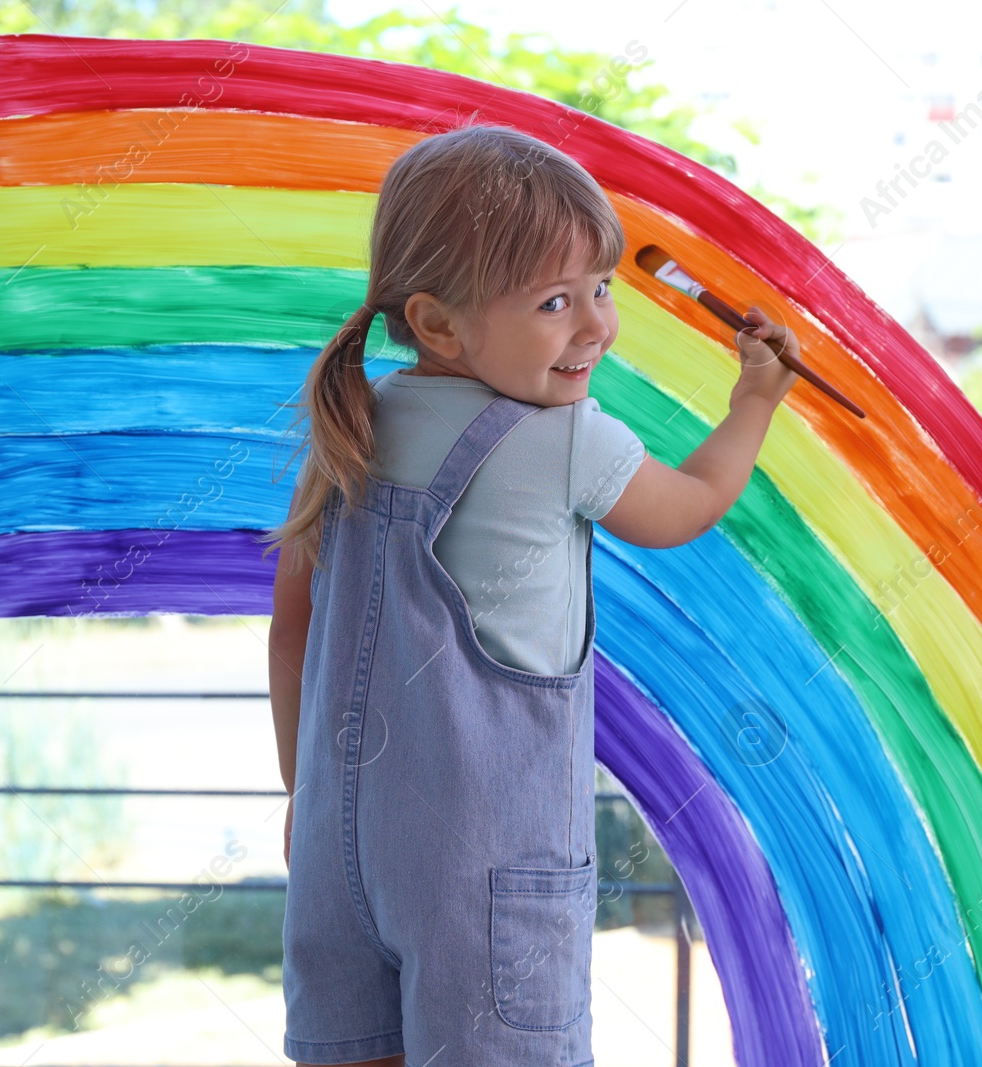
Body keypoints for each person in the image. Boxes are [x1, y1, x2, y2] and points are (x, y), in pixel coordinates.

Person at [260, 121, 798, 1067]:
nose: (594, 325)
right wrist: (754, 400)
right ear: (437, 323)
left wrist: (305, 797)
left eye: (602, 288)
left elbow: (292, 629)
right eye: (555, 300)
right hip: (488, 881)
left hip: (338, 862)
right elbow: (690, 505)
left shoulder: (355, 424)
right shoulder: (562, 441)